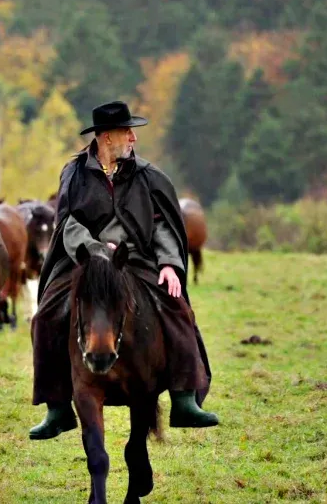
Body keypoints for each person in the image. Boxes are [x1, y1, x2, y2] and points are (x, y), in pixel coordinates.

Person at [29, 101, 218, 440]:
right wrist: (96, 250)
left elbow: (162, 225)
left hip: (136, 260)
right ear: (105, 137)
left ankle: (184, 398)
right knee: (45, 316)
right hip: (84, 261)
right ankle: (56, 407)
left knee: (177, 308)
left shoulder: (149, 176)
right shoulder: (74, 174)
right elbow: (67, 223)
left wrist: (169, 264)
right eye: (126, 132)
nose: (133, 137)